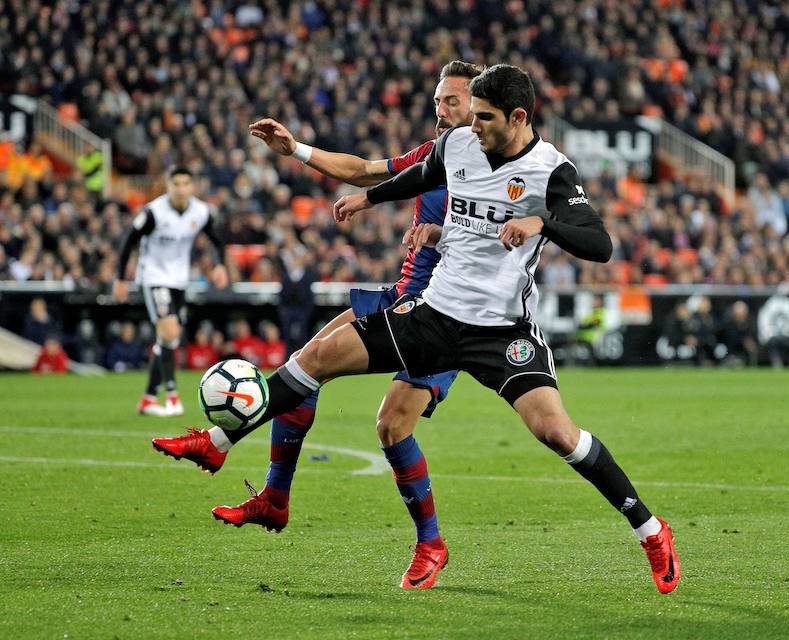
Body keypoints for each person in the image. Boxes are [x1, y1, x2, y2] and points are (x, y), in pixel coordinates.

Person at [159, 64, 680, 594]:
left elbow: (600, 244)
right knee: (317, 358)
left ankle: (651, 530)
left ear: (518, 117)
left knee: (557, 433)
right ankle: (219, 440)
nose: (469, 126)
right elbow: (417, 174)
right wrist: (371, 197)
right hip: (432, 315)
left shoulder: (550, 170)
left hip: (500, 332)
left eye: (483, 117)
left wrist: (540, 222)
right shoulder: (458, 145)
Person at [152, 61, 481, 589]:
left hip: (449, 314)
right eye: (438, 101)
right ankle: (273, 497)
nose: (442, 112)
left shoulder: (495, 166)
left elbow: (497, 236)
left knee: (391, 425)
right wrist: (298, 149)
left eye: (454, 102)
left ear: (480, 107)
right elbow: (366, 169)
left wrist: (439, 235)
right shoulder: (438, 151)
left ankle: (430, 544)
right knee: (305, 362)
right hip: (401, 296)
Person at [114, 167, 228, 416]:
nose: (181, 188)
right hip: (153, 277)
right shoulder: (154, 212)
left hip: (179, 280)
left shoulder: (200, 211)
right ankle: (172, 396)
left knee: (168, 340)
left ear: (192, 186)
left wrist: (220, 265)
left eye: (186, 183)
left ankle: (148, 399)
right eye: (176, 183)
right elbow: (128, 241)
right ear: (168, 186)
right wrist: (120, 278)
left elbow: (217, 239)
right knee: (170, 331)